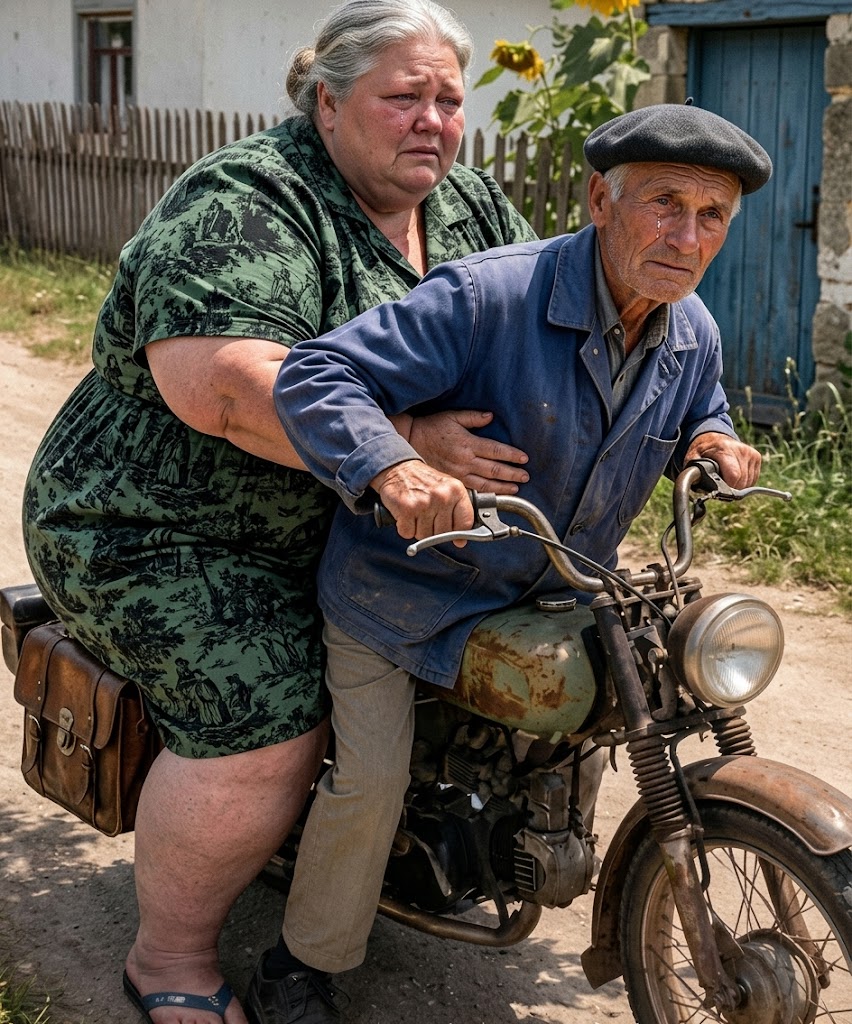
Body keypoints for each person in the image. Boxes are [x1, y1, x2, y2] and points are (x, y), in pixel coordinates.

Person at [21, 2, 537, 1022]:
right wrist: (400, 447)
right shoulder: (247, 201)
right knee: (266, 708)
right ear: (330, 101)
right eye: (404, 96)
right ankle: (171, 958)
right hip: (157, 524)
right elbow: (226, 381)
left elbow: (550, 309)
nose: (433, 119)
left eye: (448, 98)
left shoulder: (472, 208)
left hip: (357, 515)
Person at [273, 102, 772, 1021]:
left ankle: (517, 845)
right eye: (664, 203)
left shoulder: (686, 324)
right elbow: (313, 376)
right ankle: (303, 962)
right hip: (404, 594)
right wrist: (393, 460)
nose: (687, 235)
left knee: (614, 706)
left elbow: (703, 400)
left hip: (554, 586)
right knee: (371, 777)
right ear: (597, 199)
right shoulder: (486, 297)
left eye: (712, 218)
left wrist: (709, 439)